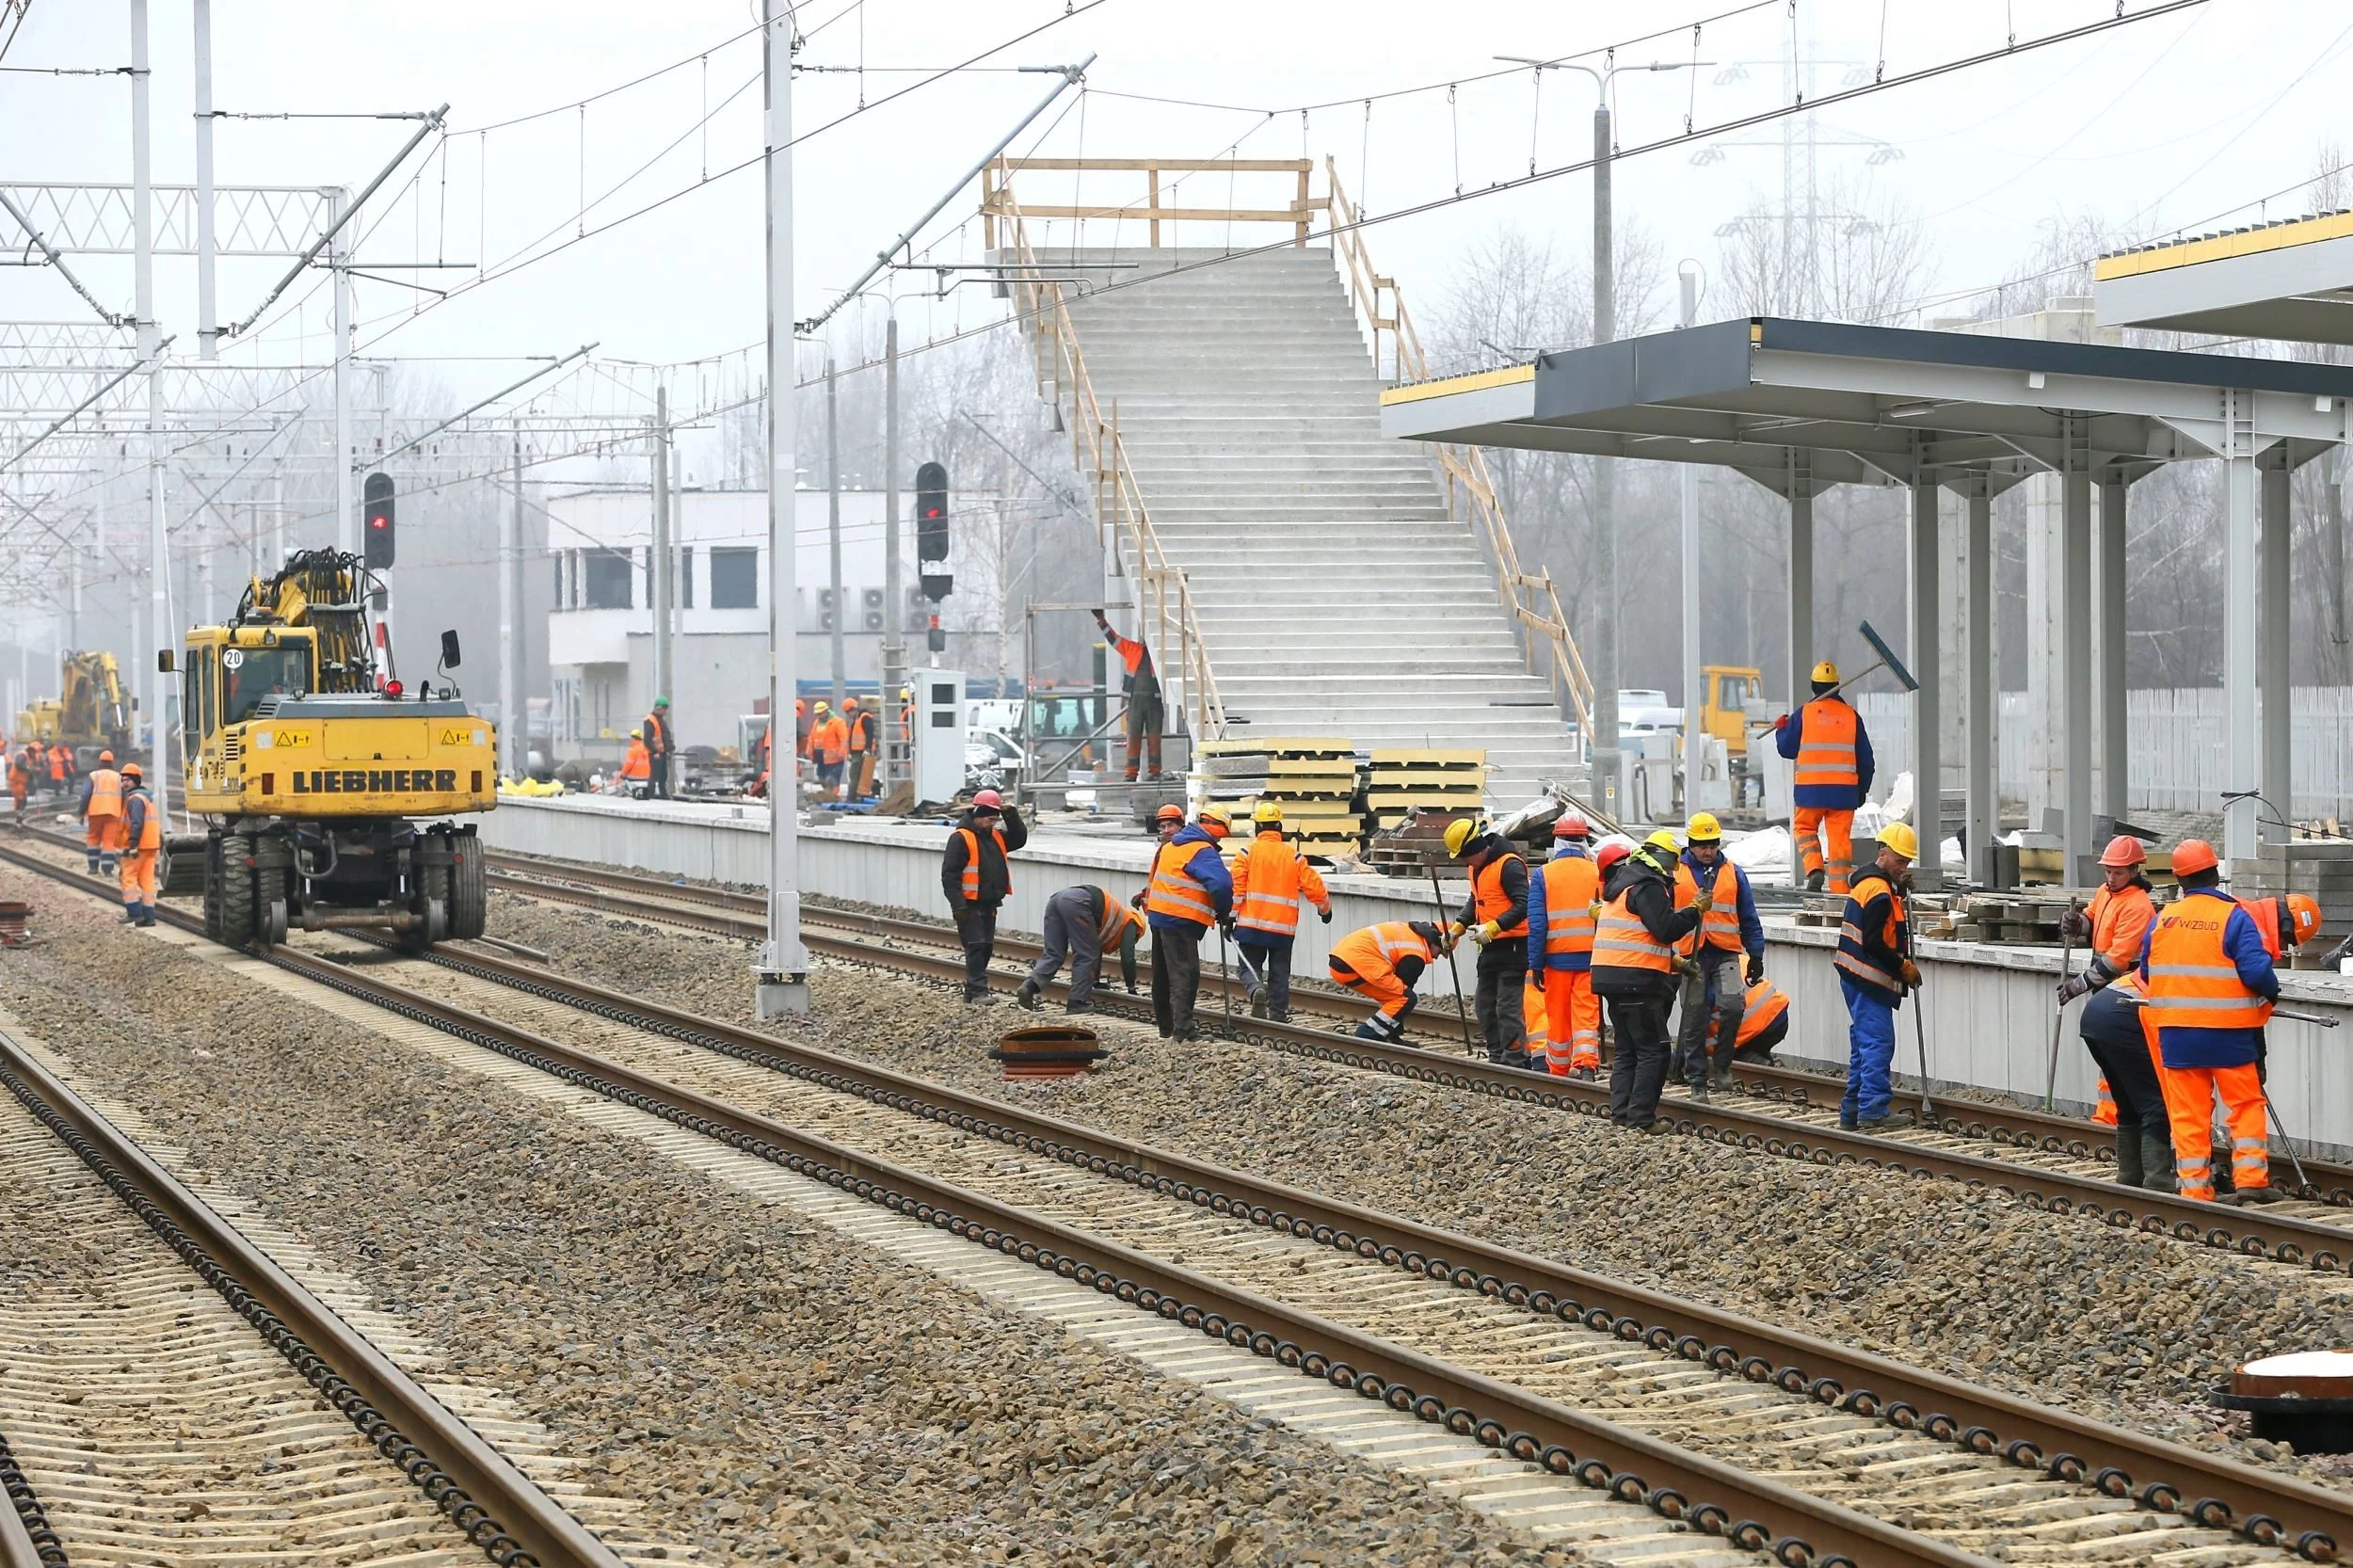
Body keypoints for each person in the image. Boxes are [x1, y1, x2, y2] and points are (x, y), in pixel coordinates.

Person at [2137, 838, 2281, 1204]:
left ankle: (2196, 1189)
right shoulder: (2234, 917)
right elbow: (2256, 972)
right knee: (2245, 1104)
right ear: (2216, 873)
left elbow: (2147, 972)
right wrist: (2271, 993)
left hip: (2176, 1036)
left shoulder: (2162, 920)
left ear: (2178, 880)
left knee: (2188, 1115)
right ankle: (2250, 1178)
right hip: (2229, 1035)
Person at [2055, 835, 2170, 1189]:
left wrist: (2078, 985)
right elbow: (2093, 920)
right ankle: (2149, 1175)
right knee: (2137, 1093)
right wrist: (2079, 924)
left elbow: (2117, 959)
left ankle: (2140, 1174)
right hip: (2111, 1000)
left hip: (2123, 992)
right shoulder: (2106, 893)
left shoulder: (2138, 906)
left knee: (2134, 1088)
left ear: (2134, 870)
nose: (2111, 877)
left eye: (2118, 872)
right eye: (2108, 870)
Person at [1593, 832, 1705, 1128]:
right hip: (1636, 981)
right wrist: (1695, 911)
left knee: (1629, 1050)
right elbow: (1665, 929)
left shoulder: (1623, 884)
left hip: (1612, 977)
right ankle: (1641, 1119)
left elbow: (1633, 938)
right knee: (1654, 1051)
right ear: (1665, 858)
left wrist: (1677, 963)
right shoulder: (1649, 885)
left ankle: (1622, 1116)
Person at [1673, 811, 1766, 1101]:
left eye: (1713, 844)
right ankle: (1697, 1078)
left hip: (1725, 952)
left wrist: (1756, 954)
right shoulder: (1675, 873)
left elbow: (1749, 917)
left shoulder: (1733, 872)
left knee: (1733, 1005)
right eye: (1703, 845)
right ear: (1690, 843)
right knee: (1694, 1015)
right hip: (1691, 956)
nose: (1709, 851)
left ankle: (1722, 1065)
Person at [1834, 821, 1920, 1131]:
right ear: (1883, 854)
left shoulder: (1872, 885)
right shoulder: (1879, 892)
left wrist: (1899, 888)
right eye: (1899, 861)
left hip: (1855, 976)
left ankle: (1852, 1110)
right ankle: (1872, 1110)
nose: (1903, 867)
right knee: (1878, 1044)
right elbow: (1873, 941)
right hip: (1868, 979)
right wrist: (1903, 968)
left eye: (1907, 862)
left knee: (1864, 1045)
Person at [1773, 660, 1875, 894]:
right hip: (1844, 793)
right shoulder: (1851, 716)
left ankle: (1814, 868)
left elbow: (1787, 750)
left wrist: (1781, 729)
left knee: (1804, 827)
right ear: (1838, 686)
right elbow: (1866, 759)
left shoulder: (1805, 713)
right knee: (1840, 841)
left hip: (1811, 792)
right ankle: (1840, 893)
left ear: (1813, 686)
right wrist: (1862, 789)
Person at [1138, 804, 1232, 1041]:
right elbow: (1222, 885)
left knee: (1163, 974)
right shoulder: (1201, 850)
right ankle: (1183, 1030)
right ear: (1218, 829)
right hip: (1179, 919)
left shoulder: (1173, 846)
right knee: (1185, 974)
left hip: (1160, 916)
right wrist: (1224, 911)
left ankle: (1166, 1028)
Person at [1445, 816, 1533, 1068]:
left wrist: (1494, 927)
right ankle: (1497, 1056)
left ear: (1474, 848)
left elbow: (1524, 904)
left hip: (1514, 947)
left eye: (1464, 855)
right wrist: (1458, 928)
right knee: (1485, 1006)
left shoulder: (1509, 866)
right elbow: (1476, 900)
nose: (1463, 861)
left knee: (1507, 1007)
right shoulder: (1476, 868)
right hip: (1491, 948)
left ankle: (1515, 1060)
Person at [1230, 801, 1331, 1021]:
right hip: (1282, 929)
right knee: (1280, 973)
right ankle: (1278, 1015)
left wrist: (1229, 915)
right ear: (1279, 828)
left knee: (1247, 967)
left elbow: (1237, 889)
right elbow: (1315, 886)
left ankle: (1256, 988)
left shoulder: (1246, 853)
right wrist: (1325, 910)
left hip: (1250, 926)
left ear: (1258, 828)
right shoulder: (1293, 856)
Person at [1527, 811, 1602, 1078]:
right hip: (1591, 959)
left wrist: (1535, 964)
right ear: (1584, 840)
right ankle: (1585, 1065)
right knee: (1586, 1015)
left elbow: (1537, 925)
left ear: (1556, 841)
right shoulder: (1597, 872)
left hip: (1556, 960)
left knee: (1557, 1017)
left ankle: (1558, 1070)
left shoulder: (1543, 875)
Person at [940, 788, 1027, 1001]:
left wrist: (1010, 814)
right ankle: (978, 991)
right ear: (977, 815)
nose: (993, 823)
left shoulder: (995, 837)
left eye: (995, 819)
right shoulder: (961, 838)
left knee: (986, 947)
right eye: (989, 819)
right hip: (969, 904)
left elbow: (1019, 838)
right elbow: (949, 875)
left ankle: (972, 991)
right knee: (976, 946)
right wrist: (958, 905)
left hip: (989, 903)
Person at [1017, 885, 1145, 1014]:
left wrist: (1095, 981)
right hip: (1077, 903)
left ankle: (1029, 987)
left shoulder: (1112, 919)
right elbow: (1127, 957)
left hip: (1056, 900)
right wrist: (1131, 987)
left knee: (1053, 953)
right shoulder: (1132, 923)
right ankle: (1076, 1002)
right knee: (1086, 954)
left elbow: (1095, 944)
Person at [1329, 920, 1449, 1042]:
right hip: (1354, 966)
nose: (1437, 957)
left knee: (1397, 996)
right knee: (1406, 998)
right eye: (1441, 952)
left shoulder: (1410, 933)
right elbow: (1403, 993)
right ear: (1436, 941)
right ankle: (1367, 1034)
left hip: (1341, 963)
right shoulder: (1415, 955)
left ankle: (1383, 1035)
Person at [1093, 607, 1165, 782]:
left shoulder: (1161, 653)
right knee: (1133, 736)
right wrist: (1102, 621)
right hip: (1134, 700)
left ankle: (1155, 772)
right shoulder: (1133, 649)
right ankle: (1131, 773)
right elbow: (1114, 640)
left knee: (1154, 737)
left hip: (1154, 700)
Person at [118, 761, 159, 927]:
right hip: (150, 845)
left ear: (136, 780)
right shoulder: (147, 798)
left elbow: (137, 823)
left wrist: (132, 844)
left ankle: (134, 913)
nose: (124, 783)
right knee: (146, 880)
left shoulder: (135, 800)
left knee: (127, 877)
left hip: (138, 846)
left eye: (128, 779)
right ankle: (149, 917)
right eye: (123, 780)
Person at [77, 748, 123, 876]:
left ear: (100, 762)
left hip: (95, 812)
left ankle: (93, 868)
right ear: (112, 763)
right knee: (109, 841)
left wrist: (81, 812)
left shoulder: (93, 776)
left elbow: (85, 795)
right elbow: (125, 796)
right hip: (113, 813)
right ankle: (107, 870)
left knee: (93, 838)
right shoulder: (118, 777)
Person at [1728, 977, 1791, 1063]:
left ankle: (1759, 1063)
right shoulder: (1737, 964)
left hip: (1761, 1027)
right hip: (1779, 1013)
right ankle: (1764, 1063)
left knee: (1724, 1053)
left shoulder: (1708, 979)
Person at [808, 700, 847, 799]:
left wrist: (842, 752)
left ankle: (833, 796)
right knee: (822, 777)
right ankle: (827, 795)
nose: (818, 716)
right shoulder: (816, 723)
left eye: (820, 714)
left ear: (826, 711)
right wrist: (810, 751)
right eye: (817, 714)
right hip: (820, 756)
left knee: (832, 779)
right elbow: (811, 738)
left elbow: (843, 738)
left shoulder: (837, 722)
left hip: (834, 758)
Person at [844, 696, 878, 800]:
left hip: (861, 753)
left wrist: (867, 749)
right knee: (859, 776)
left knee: (855, 776)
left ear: (852, 710)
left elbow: (869, 734)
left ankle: (852, 798)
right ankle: (858, 796)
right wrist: (850, 752)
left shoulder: (864, 718)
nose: (848, 715)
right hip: (857, 753)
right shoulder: (857, 719)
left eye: (847, 712)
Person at [642, 696, 675, 799]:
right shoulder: (650, 720)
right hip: (655, 754)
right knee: (654, 776)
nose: (665, 711)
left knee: (663, 776)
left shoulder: (660, 720)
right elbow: (647, 739)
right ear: (658, 708)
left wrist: (670, 747)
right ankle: (650, 795)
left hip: (662, 752)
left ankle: (663, 795)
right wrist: (654, 751)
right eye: (664, 709)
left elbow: (665, 735)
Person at [618, 729, 651, 797]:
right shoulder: (647, 749)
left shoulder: (633, 750)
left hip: (634, 778)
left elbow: (628, 765)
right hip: (646, 778)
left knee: (623, 787)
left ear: (633, 739)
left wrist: (622, 775)